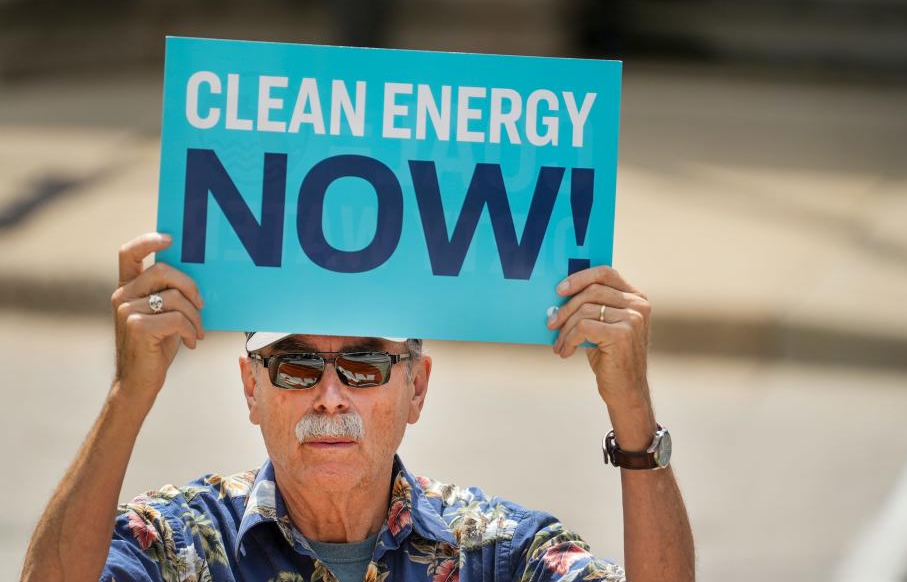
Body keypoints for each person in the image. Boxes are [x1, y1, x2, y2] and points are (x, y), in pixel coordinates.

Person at [20, 232, 695, 582]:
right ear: (252, 389)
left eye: (367, 364)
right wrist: (128, 394)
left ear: (417, 389)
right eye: (296, 364)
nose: (331, 395)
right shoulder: (182, 545)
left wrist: (632, 411)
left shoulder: (494, 553)